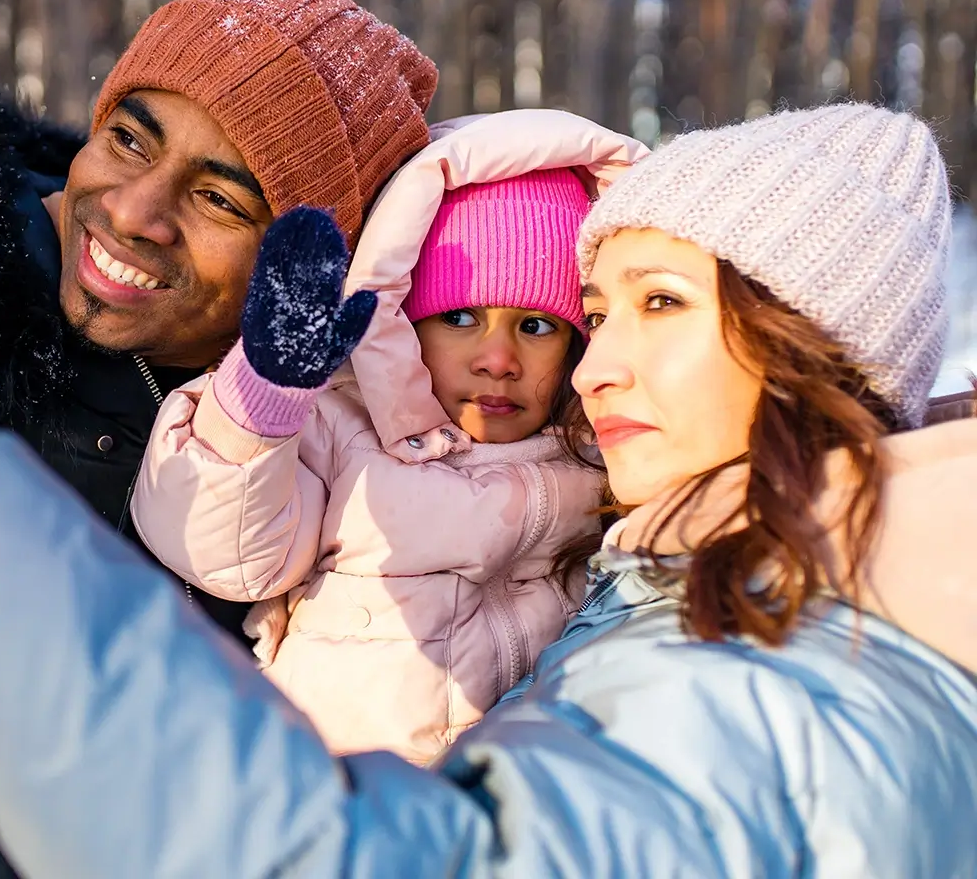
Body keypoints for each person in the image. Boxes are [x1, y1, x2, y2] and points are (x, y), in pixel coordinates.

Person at [0, 103, 976, 877]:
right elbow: (225, 534)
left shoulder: (779, 683)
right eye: (601, 312)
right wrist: (261, 402)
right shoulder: (728, 582)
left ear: (808, 341)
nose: (589, 366)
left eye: (659, 303)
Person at [0, 0, 436, 877]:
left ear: (313, 266)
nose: (132, 211)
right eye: (128, 138)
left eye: (220, 200)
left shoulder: (326, 480)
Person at [131, 109, 646, 762]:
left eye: (537, 326)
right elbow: (223, 551)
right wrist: (264, 399)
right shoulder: (343, 429)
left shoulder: (601, 458)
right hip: (337, 800)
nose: (498, 358)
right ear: (402, 324)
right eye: (459, 316)